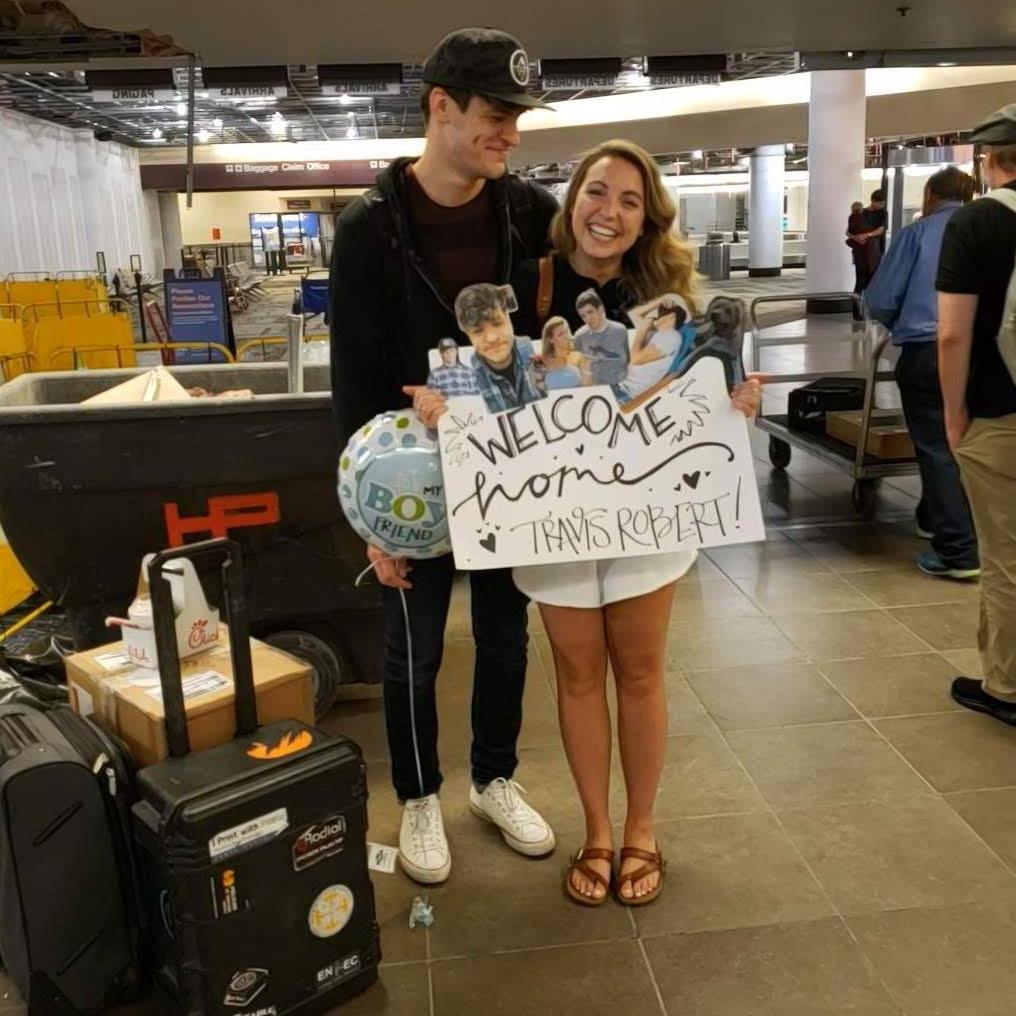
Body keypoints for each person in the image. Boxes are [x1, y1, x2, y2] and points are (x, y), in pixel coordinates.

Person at [412, 139, 762, 906]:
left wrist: (734, 405)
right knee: (575, 674)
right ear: (572, 202)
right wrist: (441, 405)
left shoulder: (668, 299)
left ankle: (641, 830)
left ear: (648, 219)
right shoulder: (524, 288)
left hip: (645, 515)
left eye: (631, 200)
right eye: (598, 192)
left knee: (639, 672)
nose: (611, 211)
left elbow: (705, 391)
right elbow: (483, 378)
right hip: (556, 514)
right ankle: (596, 831)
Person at [328, 26, 559, 885]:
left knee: (506, 637)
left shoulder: (530, 214)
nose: (511, 133)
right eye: (497, 114)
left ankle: (494, 778)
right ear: (441, 106)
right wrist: (368, 523)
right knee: (413, 649)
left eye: (517, 118)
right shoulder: (369, 228)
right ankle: (420, 795)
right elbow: (351, 382)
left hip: (510, 472)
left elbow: (572, 333)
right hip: (411, 486)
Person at [936, 103, 1016, 725]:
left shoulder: (979, 222)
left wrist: (954, 411)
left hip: (1001, 415)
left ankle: (1007, 688)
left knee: (1005, 557)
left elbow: (952, 336)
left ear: (990, 160)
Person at [866, 166, 979, 580]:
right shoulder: (993, 229)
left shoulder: (918, 234)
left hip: (929, 352)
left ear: (930, 193)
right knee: (975, 445)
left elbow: (880, 298)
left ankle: (959, 551)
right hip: (988, 354)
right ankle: (936, 517)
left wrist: (902, 322)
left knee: (935, 446)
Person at [454, 283, 540, 412]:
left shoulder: (540, 353)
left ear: (509, 318)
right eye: (477, 331)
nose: (491, 338)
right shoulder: (463, 379)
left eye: (497, 323)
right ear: (467, 334)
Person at [616, 295, 691, 401]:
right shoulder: (656, 333)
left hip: (626, 394)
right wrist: (659, 301)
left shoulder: (672, 337)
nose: (655, 315)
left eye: (659, 312)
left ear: (671, 316)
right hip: (621, 386)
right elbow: (633, 313)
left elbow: (636, 359)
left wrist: (642, 331)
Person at [573, 289, 631, 384]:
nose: (588, 319)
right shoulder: (579, 336)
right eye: (583, 316)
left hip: (623, 387)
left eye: (590, 312)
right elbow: (577, 367)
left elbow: (628, 360)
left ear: (600, 309)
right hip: (596, 390)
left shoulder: (620, 330)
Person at [538, 316, 589, 391]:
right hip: (552, 401)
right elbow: (536, 391)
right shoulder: (541, 361)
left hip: (579, 399)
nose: (566, 336)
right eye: (560, 334)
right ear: (551, 340)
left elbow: (589, 387)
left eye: (566, 332)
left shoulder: (578, 356)